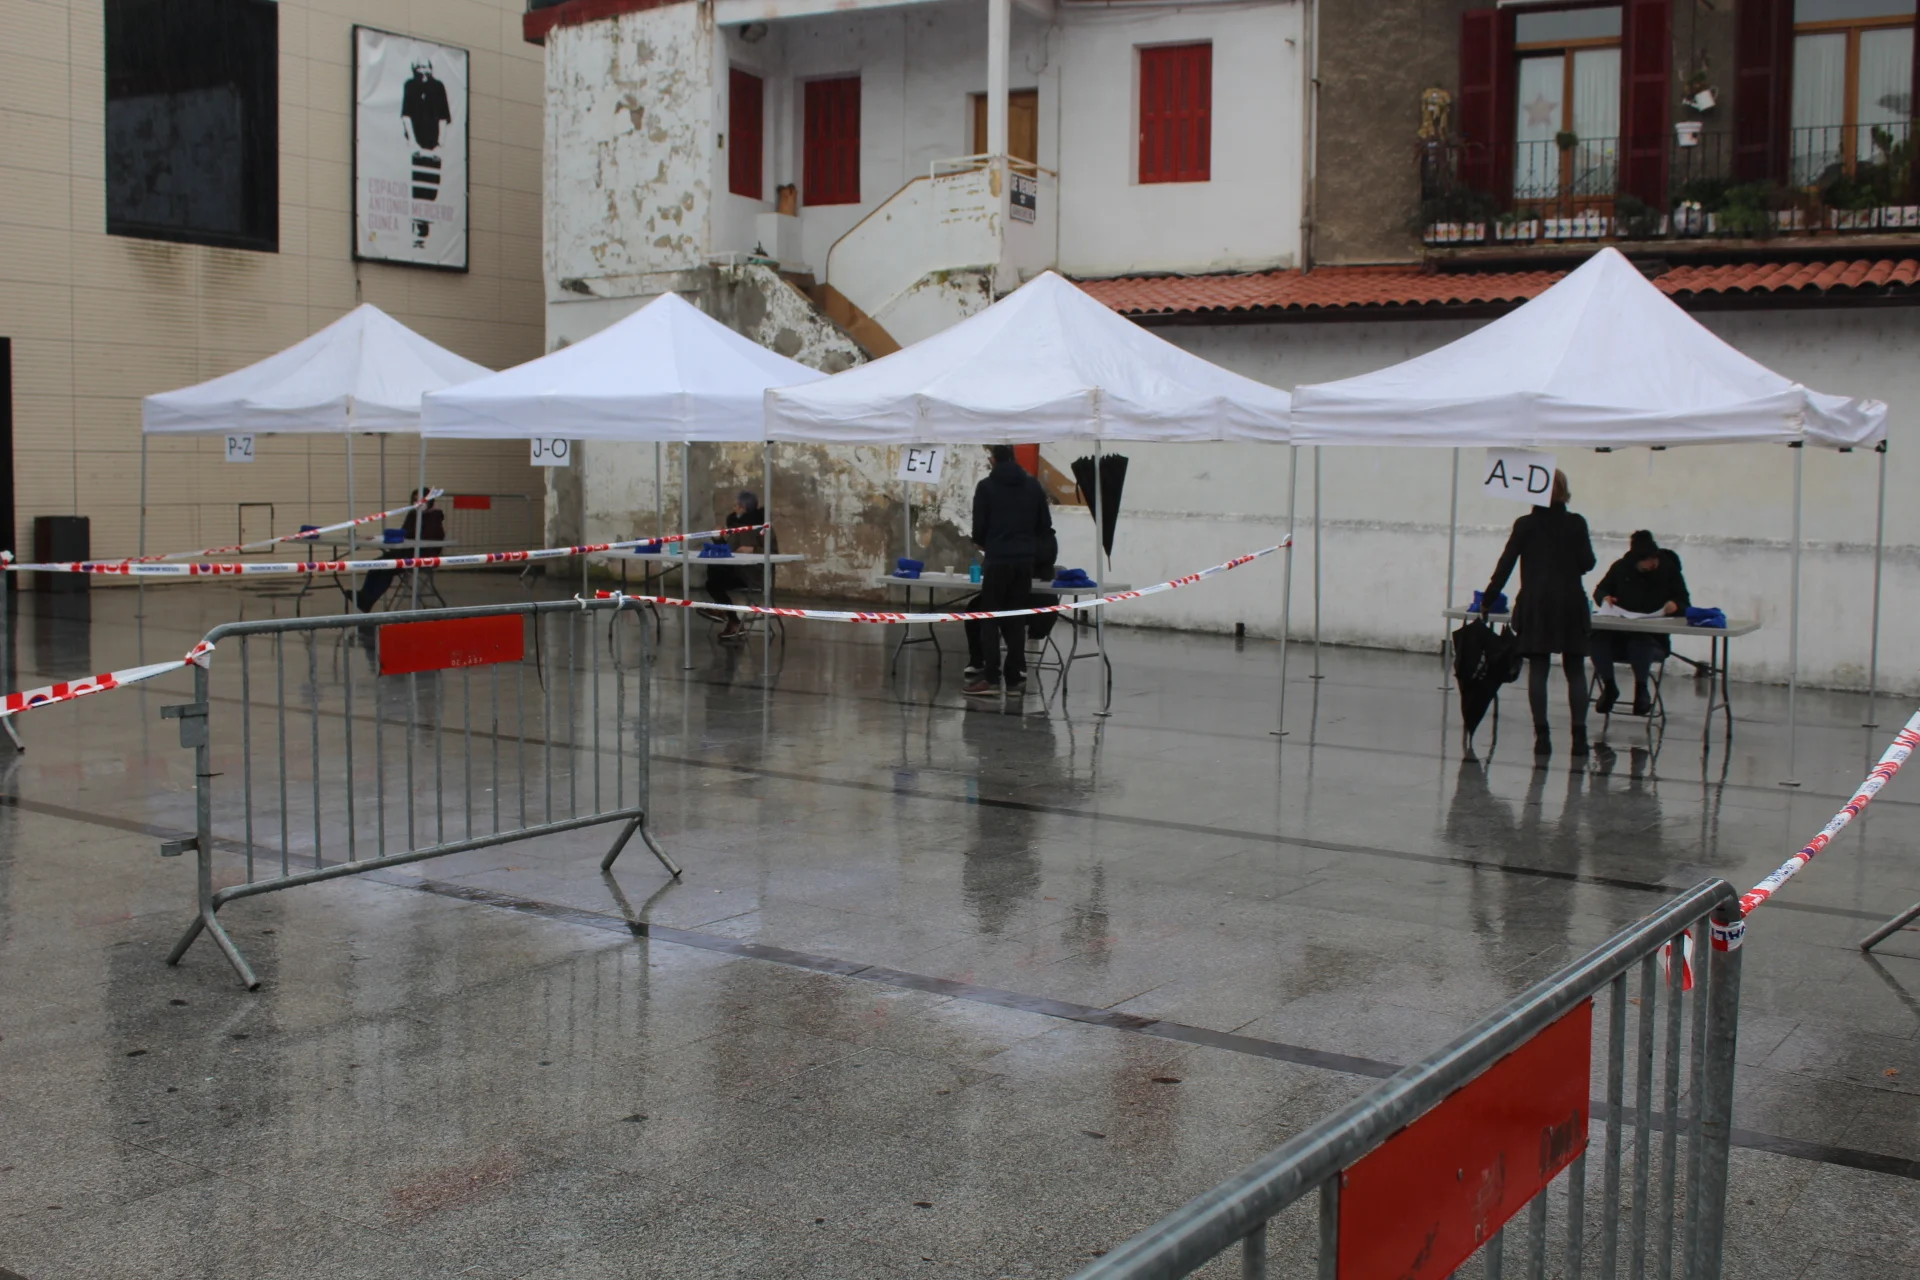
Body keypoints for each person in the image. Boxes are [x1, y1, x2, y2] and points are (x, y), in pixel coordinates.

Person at [1482, 469, 1596, 758]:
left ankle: (1542, 737)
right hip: (1570, 602)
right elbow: (1588, 563)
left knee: (1539, 667)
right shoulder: (1576, 523)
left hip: (1536, 603)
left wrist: (1489, 597)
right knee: (1575, 669)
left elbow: (1506, 563)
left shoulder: (1525, 525)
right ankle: (1579, 737)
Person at [963, 446, 1053, 698]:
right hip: (1024, 561)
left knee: (990, 617)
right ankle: (1014, 679)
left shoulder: (986, 487)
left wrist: (986, 543)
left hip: (998, 559)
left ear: (992, 459)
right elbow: (1045, 525)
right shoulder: (1033, 486)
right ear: (1014, 458)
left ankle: (991, 677)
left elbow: (978, 528)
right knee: (1015, 618)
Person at [1589, 529, 1690, 716]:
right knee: (1597, 640)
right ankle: (1609, 687)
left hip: (1653, 640)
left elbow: (1685, 602)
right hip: (1619, 635)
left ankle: (1641, 690)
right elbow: (1600, 590)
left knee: (1639, 642)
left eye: (1654, 562)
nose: (1651, 566)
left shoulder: (1669, 570)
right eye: (1645, 565)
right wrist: (1605, 598)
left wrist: (1675, 606)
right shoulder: (1620, 568)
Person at [354, 490, 443, 613]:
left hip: (424, 554)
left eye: (421, 499)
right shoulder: (412, 514)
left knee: (387, 569)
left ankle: (368, 601)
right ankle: (363, 597)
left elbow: (425, 536)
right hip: (406, 551)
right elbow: (404, 532)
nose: (417, 502)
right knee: (376, 564)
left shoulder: (435, 516)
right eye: (415, 500)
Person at [701, 490, 771, 641]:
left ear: (743, 508)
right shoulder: (737, 526)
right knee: (713, 576)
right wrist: (718, 538)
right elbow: (729, 551)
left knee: (714, 581)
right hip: (739, 570)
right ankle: (726, 613)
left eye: (736, 506)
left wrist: (754, 550)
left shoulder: (762, 527)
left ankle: (726, 614)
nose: (734, 509)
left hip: (753, 574)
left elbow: (772, 551)